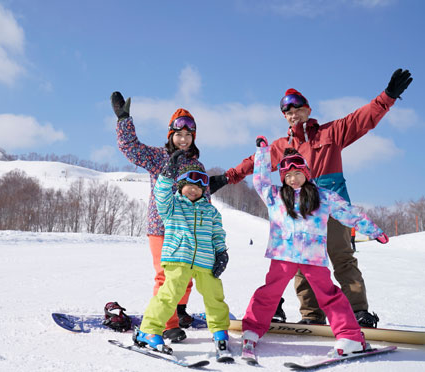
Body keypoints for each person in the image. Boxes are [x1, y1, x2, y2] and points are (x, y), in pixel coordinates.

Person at [210, 68, 412, 327]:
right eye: (287, 112)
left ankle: (358, 312)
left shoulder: (331, 133)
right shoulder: (283, 146)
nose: (293, 115)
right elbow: (254, 163)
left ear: (308, 109)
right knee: (301, 262)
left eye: (297, 109)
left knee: (341, 257)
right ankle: (311, 314)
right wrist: (228, 177)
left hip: (333, 206)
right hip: (301, 211)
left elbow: (362, 119)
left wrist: (387, 97)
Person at [241, 141, 389, 358]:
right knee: (269, 293)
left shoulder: (322, 196)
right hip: (283, 255)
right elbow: (260, 180)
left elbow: (349, 213)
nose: (292, 179)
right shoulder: (275, 196)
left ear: (306, 173)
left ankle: (350, 337)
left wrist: (373, 230)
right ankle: (252, 330)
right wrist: (262, 153)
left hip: (313, 257)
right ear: (282, 178)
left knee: (329, 295)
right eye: (287, 175)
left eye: (297, 173)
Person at [112, 91, 211, 342]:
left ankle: (178, 310)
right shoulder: (158, 157)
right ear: (171, 135)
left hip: (188, 230)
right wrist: (124, 121)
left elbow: (205, 199)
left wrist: (211, 234)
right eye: (179, 134)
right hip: (161, 227)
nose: (184, 139)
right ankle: (167, 324)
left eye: (189, 135)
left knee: (186, 276)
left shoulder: (197, 166)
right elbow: (130, 148)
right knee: (166, 276)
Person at [133, 151, 231, 357]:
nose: (194, 190)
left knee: (215, 295)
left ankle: (219, 330)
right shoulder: (172, 207)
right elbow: (160, 194)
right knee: (169, 295)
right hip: (178, 258)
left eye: (198, 187)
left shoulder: (210, 211)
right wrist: (167, 174)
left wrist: (221, 252)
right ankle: (148, 330)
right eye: (189, 185)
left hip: (206, 261)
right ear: (180, 186)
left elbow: (217, 233)